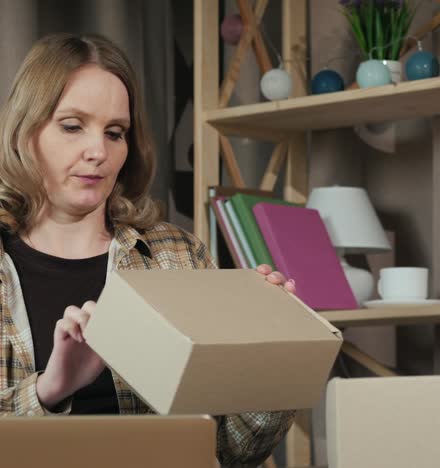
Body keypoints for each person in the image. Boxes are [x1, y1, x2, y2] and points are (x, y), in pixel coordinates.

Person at [0, 33, 297, 466]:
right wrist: (51, 388)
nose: (98, 151)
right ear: (26, 132)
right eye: (72, 126)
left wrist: (274, 358)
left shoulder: (178, 256)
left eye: (115, 132)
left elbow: (228, 452)